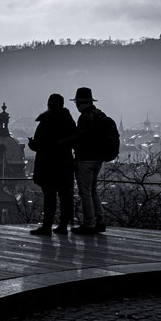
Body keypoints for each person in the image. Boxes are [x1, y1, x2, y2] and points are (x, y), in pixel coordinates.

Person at [61, 87, 108, 235]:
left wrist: (63, 142)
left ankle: (89, 224)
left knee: (85, 193)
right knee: (93, 191)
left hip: (85, 159)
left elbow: (79, 138)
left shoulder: (85, 117)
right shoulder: (99, 115)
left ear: (80, 103)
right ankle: (100, 222)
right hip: (98, 159)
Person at [26, 93, 75, 235]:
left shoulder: (46, 121)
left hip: (48, 165)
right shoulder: (69, 120)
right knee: (65, 197)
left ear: (49, 104)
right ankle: (63, 226)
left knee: (50, 197)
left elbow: (38, 144)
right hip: (65, 164)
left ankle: (47, 226)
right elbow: (73, 140)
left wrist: (31, 143)